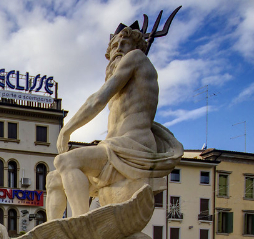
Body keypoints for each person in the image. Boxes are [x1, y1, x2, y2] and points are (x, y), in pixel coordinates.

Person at [47, 25, 183, 221]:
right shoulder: (125, 77)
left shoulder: (136, 57)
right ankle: (53, 232)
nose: (118, 48)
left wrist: (66, 130)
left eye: (124, 43)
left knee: (65, 161)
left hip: (133, 145)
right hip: (111, 148)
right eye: (114, 45)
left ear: (136, 47)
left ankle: (80, 224)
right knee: (54, 179)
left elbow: (97, 100)